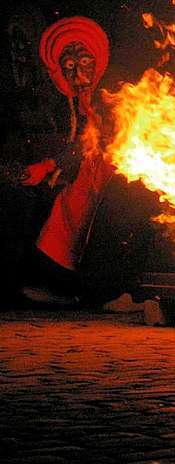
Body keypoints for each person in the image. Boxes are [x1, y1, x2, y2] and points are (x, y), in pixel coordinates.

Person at [19, 16, 115, 304]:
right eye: (70, 68)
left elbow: (100, 139)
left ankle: (99, 289)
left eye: (85, 64)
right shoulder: (78, 100)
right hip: (92, 163)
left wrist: (56, 165)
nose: (79, 75)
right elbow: (83, 140)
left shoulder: (111, 92)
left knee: (80, 204)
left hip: (118, 164)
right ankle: (65, 285)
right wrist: (52, 165)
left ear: (96, 61)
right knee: (67, 205)